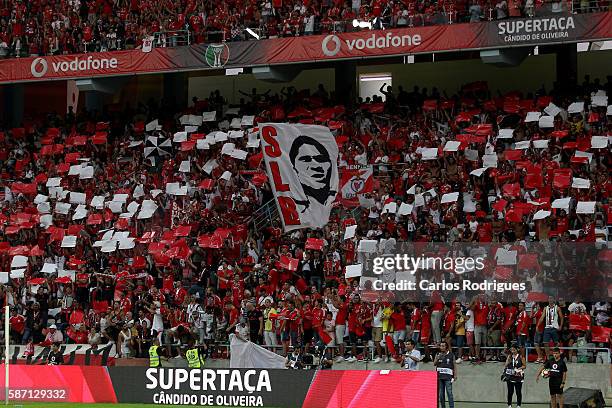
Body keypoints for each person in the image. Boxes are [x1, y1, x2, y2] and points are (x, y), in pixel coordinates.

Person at [434, 341, 456, 408]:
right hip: (439, 377)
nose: (441, 347)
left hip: (448, 377)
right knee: (441, 394)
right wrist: (438, 358)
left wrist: (455, 375)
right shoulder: (438, 354)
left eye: (443, 346)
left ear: (446, 347)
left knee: (449, 393)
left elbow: (454, 365)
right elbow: (434, 364)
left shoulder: (451, 355)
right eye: (440, 346)